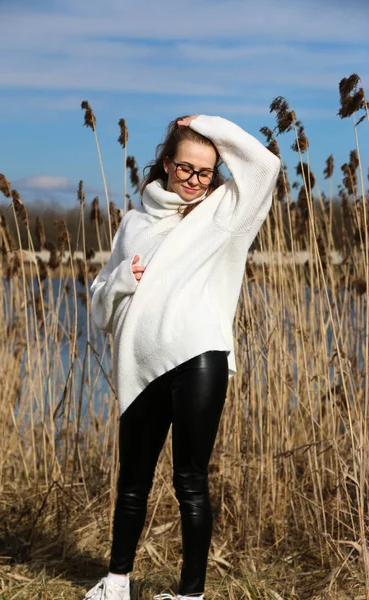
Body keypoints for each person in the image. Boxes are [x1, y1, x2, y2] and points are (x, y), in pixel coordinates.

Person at [84, 114, 281, 600]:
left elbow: (266, 165)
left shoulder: (224, 212)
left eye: (205, 172)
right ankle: (116, 583)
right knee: (132, 481)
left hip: (198, 360)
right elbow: (99, 296)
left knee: (189, 480)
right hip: (139, 366)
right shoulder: (133, 222)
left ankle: (190, 595)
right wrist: (124, 282)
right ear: (166, 164)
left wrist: (205, 123)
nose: (194, 181)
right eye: (185, 169)